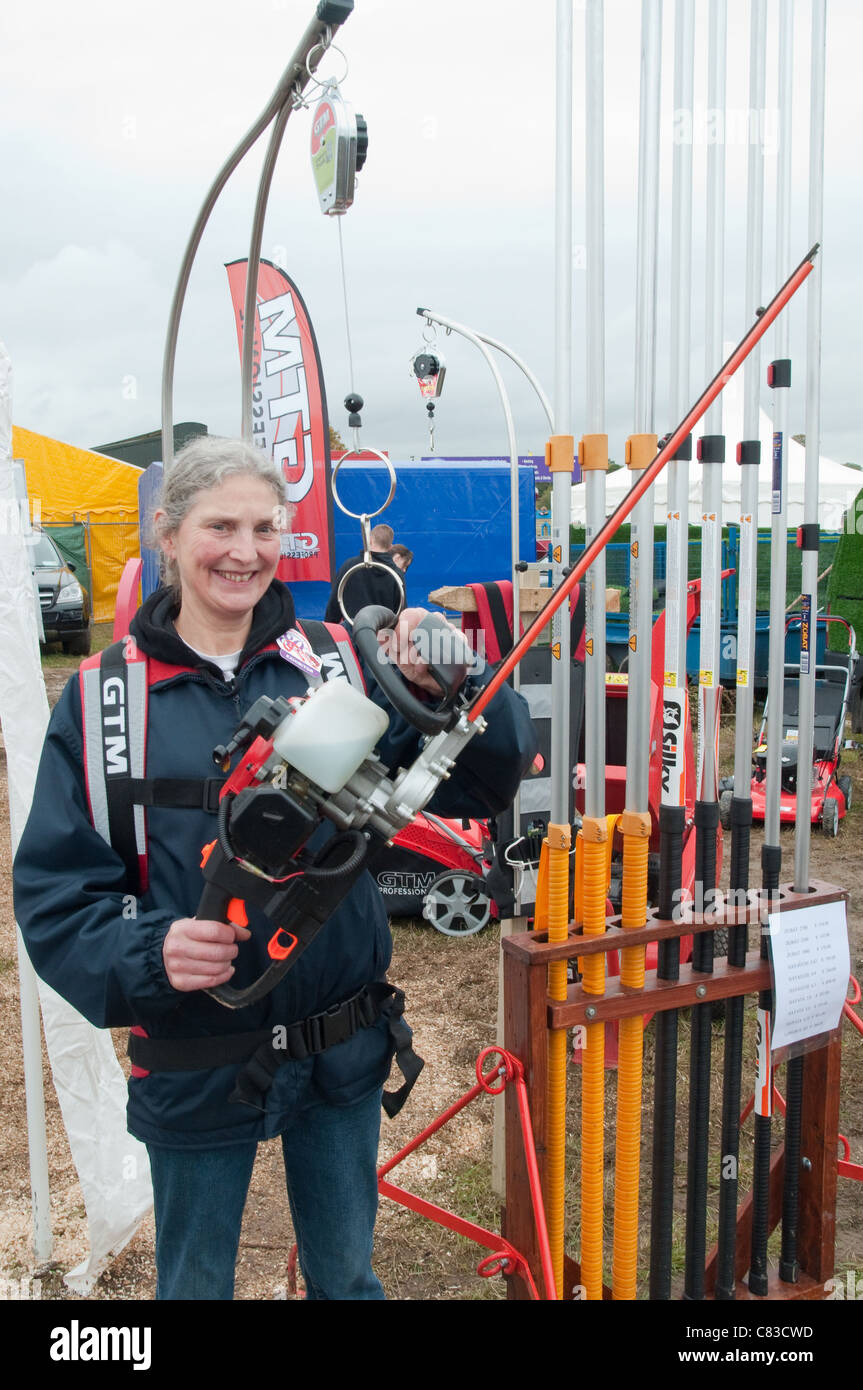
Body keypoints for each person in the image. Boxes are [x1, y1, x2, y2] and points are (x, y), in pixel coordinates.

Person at [13, 435, 537, 1302]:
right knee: (192, 1285)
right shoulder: (107, 697)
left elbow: (477, 786)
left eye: (265, 528)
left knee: (344, 1276)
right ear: (169, 534)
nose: (245, 552)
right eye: (221, 526)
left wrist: (456, 683)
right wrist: (146, 956)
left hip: (341, 1044)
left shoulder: (337, 660)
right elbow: (56, 893)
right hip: (193, 1050)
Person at [324, 521, 404, 624]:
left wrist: (330, 629)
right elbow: (401, 611)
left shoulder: (349, 566)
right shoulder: (396, 574)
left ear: (369, 540)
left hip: (353, 631)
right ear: (390, 547)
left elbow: (334, 604)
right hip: (383, 634)